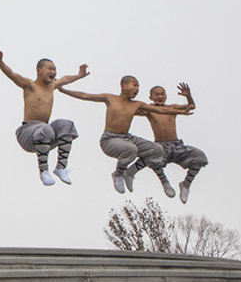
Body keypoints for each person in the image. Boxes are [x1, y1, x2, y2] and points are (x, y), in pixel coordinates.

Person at [58, 76, 193, 195]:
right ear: (123, 86)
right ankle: (118, 174)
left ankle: (130, 173)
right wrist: (63, 90)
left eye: (138, 86)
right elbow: (85, 96)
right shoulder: (110, 98)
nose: (137, 88)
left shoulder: (136, 104)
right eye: (134, 85)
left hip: (127, 138)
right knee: (131, 149)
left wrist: (182, 112)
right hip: (110, 139)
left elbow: (161, 109)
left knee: (157, 149)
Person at [0, 48, 89, 186]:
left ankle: (61, 167)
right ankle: (44, 171)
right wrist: (0, 62)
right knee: (45, 128)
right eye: (50, 69)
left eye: (55, 69)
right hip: (27, 134)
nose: (53, 72)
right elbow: (12, 75)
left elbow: (65, 79)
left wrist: (79, 75)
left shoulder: (52, 86)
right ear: (39, 71)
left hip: (44, 136)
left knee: (67, 124)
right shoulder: (30, 85)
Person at [123, 83, 208, 204]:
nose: (160, 96)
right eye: (157, 94)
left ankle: (185, 184)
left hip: (177, 145)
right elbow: (131, 110)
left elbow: (191, 106)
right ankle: (164, 182)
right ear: (151, 97)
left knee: (200, 157)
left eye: (162, 94)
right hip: (161, 146)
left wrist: (188, 96)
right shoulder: (150, 110)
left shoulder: (171, 108)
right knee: (151, 156)